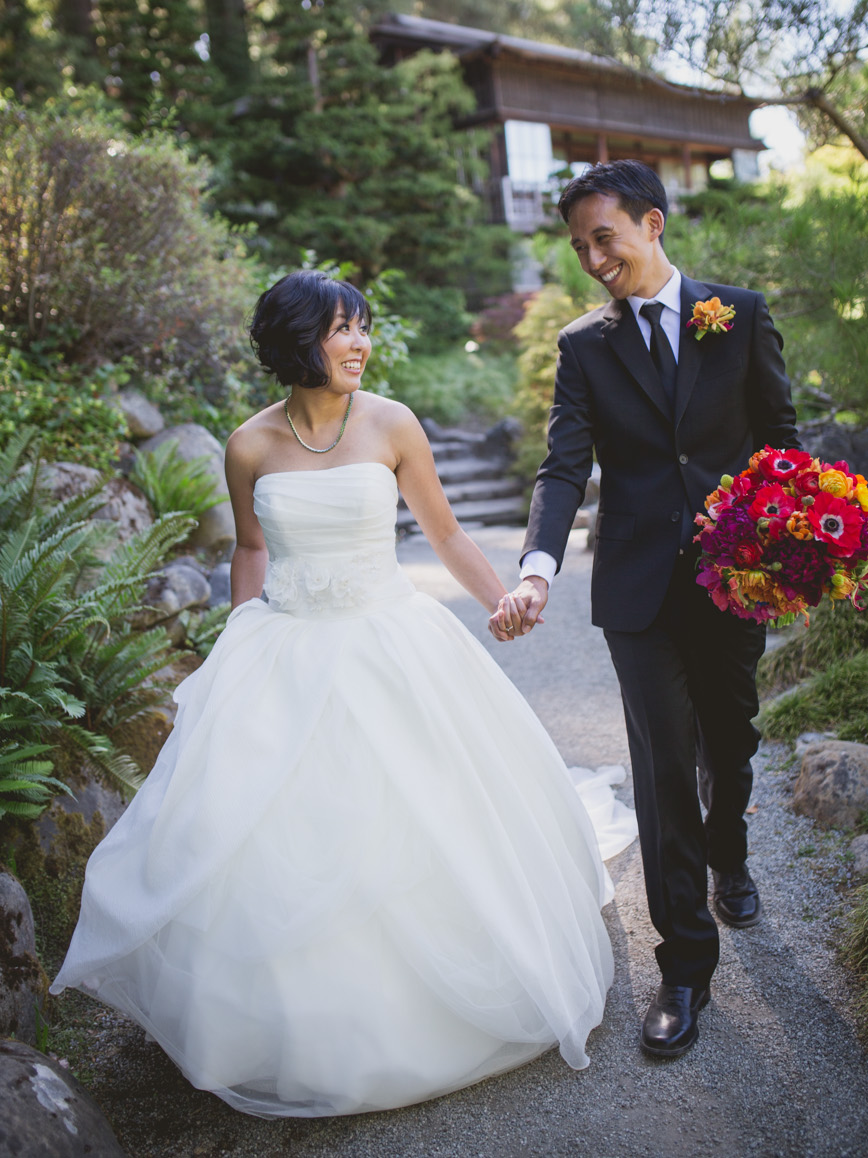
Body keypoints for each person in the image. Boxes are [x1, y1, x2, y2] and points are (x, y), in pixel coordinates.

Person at [51, 269, 635, 1118]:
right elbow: (251, 549)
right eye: (340, 330)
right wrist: (238, 640)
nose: (360, 343)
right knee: (281, 830)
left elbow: (443, 529)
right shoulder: (248, 443)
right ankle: (303, 1018)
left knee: (418, 812)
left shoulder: (393, 423)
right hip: (286, 644)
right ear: (297, 344)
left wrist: (503, 598)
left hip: (389, 638)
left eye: (363, 327)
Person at [491, 160, 799, 1060]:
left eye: (605, 237)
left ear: (652, 224)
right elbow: (562, 468)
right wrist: (540, 566)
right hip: (635, 588)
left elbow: (781, 448)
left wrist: (797, 555)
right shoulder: (585, 345)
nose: (592, 258)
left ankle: (730, 855)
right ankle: (685, 968)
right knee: (663, 763)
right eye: (580, 244)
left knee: (730, 741)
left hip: (735, 577)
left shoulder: (737, 317)